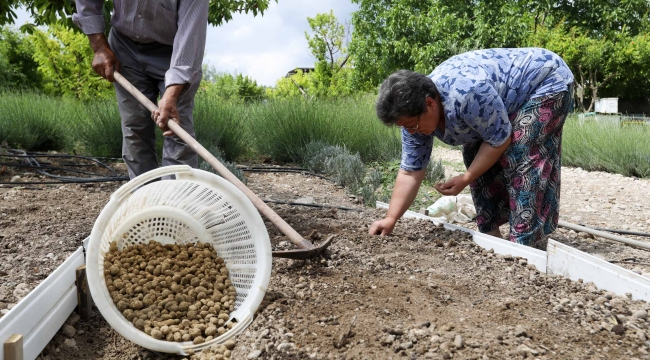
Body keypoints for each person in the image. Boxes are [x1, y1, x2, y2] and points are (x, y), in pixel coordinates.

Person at [369, 48, 574, 247]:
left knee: (521, 151)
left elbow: (500, 140)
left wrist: (466, 178)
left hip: (546, 80)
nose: (411, 132)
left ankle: (524, 243)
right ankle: (491, 234)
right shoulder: (412, 119)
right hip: (505, 96)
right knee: (473, 151)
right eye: (405, 127)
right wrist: (391, 218)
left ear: (430, 104)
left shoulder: (467, 94)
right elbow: (410, 171)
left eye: (413, 125)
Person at [73, 1, 208, 179]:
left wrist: (172, 93)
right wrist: (99, 46)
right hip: (124, 45)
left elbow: (191, 35)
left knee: (176, 130)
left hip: (174, 50)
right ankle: (145, 201)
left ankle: (176, 203)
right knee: (135, 130)